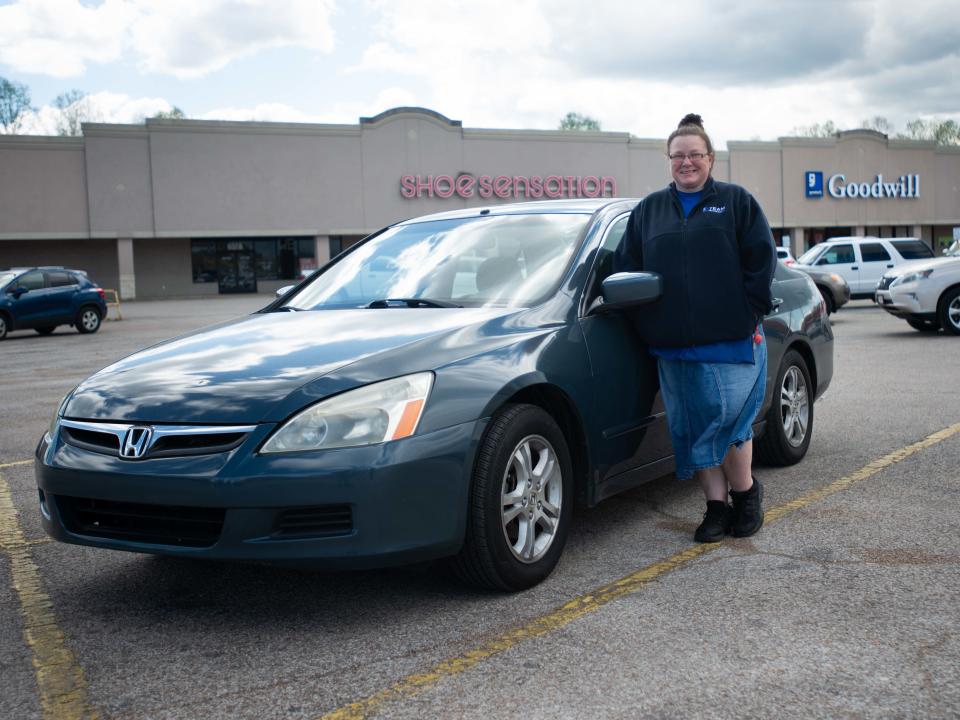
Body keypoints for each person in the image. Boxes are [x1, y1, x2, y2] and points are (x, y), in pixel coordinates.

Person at [613, 113, 776, 543]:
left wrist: (749, 313)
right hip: (673, 347)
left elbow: (762, 259)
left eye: (695, 155)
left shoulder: (736, 202)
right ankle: (715, 509)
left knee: (728, 423)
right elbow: (627, 270)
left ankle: (746, 495)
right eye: (678, 156)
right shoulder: (648, 211)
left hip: (729, 340)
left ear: (710, 158)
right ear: (669, 160)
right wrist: (647, 321)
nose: (687, 163)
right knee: (690, 428)